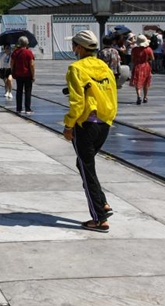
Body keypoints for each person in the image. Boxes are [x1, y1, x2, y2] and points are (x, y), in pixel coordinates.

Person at [63, 30, 118, 233]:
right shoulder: (105, 67)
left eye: (74, 45)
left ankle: (99, 218)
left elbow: (77, 103)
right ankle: (102, 203)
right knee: (84, 163)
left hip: (86, 124)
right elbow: (112, 94)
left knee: (86, 169)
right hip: (104, 123)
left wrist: (69, 125)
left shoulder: (75, 68)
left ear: (78, 47)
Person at [10, 36, 35, 114]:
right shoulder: (29, 52)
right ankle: (27, 109)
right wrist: (33, 75)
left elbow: (12, 63)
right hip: (27, 75)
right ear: (27, 43)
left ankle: (19, 108)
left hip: (18, 74)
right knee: (28, 91)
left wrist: (12, 71)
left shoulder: (15, 52)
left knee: (19, 91)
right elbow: (32, 65)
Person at [130, 34, 154, 105]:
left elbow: (132, 59)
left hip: (137, 65)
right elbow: (152, 58)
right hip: (146, 66)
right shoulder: (149, 49)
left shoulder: (134, 50)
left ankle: (139, 96)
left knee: (137, 81)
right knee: (146, 82)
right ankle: (145, 97)